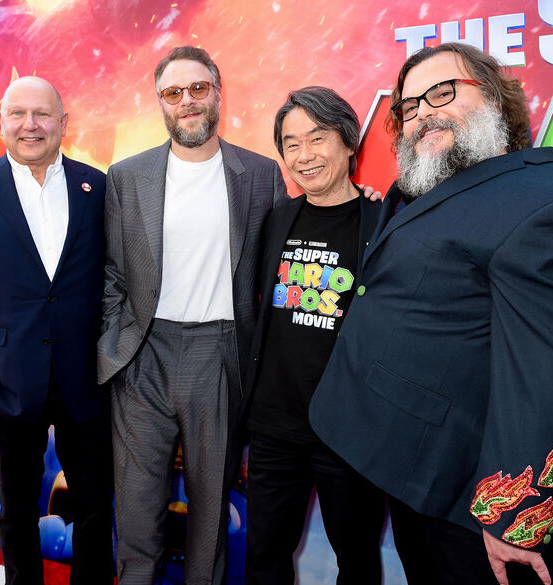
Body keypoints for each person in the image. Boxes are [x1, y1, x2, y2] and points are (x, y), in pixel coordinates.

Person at [309, 43, 553, 585]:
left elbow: (552, 381)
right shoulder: (437, 186)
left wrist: (512, 522)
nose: (423, 113)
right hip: (406, 471)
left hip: (467, 506)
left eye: (442, 93)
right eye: (409, 107)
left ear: (498, 103)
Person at [96, 46, 286, 585]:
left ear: (218, 93)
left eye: (197, 88)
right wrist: (117, 345)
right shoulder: (126, 177)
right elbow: (112, 271)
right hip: (142, 357)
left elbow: (283, 258)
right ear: (161, 103)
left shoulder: (261, 175)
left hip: (220, 355)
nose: (187, 101)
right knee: (135, 507)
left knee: (209, 512)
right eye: (173, 93)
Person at [0, 76, 113, 585]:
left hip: (87, 379)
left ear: (63, 122)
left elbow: (116, 277)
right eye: (18, 114)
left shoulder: (96, 186)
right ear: (0, 123)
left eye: (42, 114)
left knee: (95, 509)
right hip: (9, 380)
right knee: (15, 511)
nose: (30, 125)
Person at [243, 87, 386, 585]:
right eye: (291, 143)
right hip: (273, 427)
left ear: (349, 142)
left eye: (317, 138)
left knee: (358, 559)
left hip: (349, 430)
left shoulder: (385, 221)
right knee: (264, 558)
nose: (304, 155)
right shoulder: (276, 218)